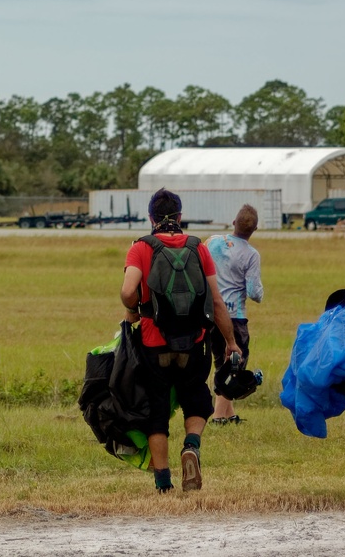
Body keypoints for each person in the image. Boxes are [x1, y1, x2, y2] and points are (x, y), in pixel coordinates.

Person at [120, 188, 241, 493]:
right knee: (196, 401)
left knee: (157, 411)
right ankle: (191, 444)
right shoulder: (197, 248)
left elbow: (126, 291)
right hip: (193, 342)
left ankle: (163, 483)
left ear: (151, 217)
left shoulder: (140, 248)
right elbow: (216, 301)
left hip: (153, 343)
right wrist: (231, 342)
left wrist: (134, 310)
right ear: (180, 216)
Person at [205, 204, 264, 425]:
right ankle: (218, 416)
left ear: (233, 223)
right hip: (235, 316)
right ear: (254, 229)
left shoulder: (213, 242)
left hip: (211, 314)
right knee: (234, 366)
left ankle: (229, 414)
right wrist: (261, 294)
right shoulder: (251, 255)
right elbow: (254, 292)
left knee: (221, 361)